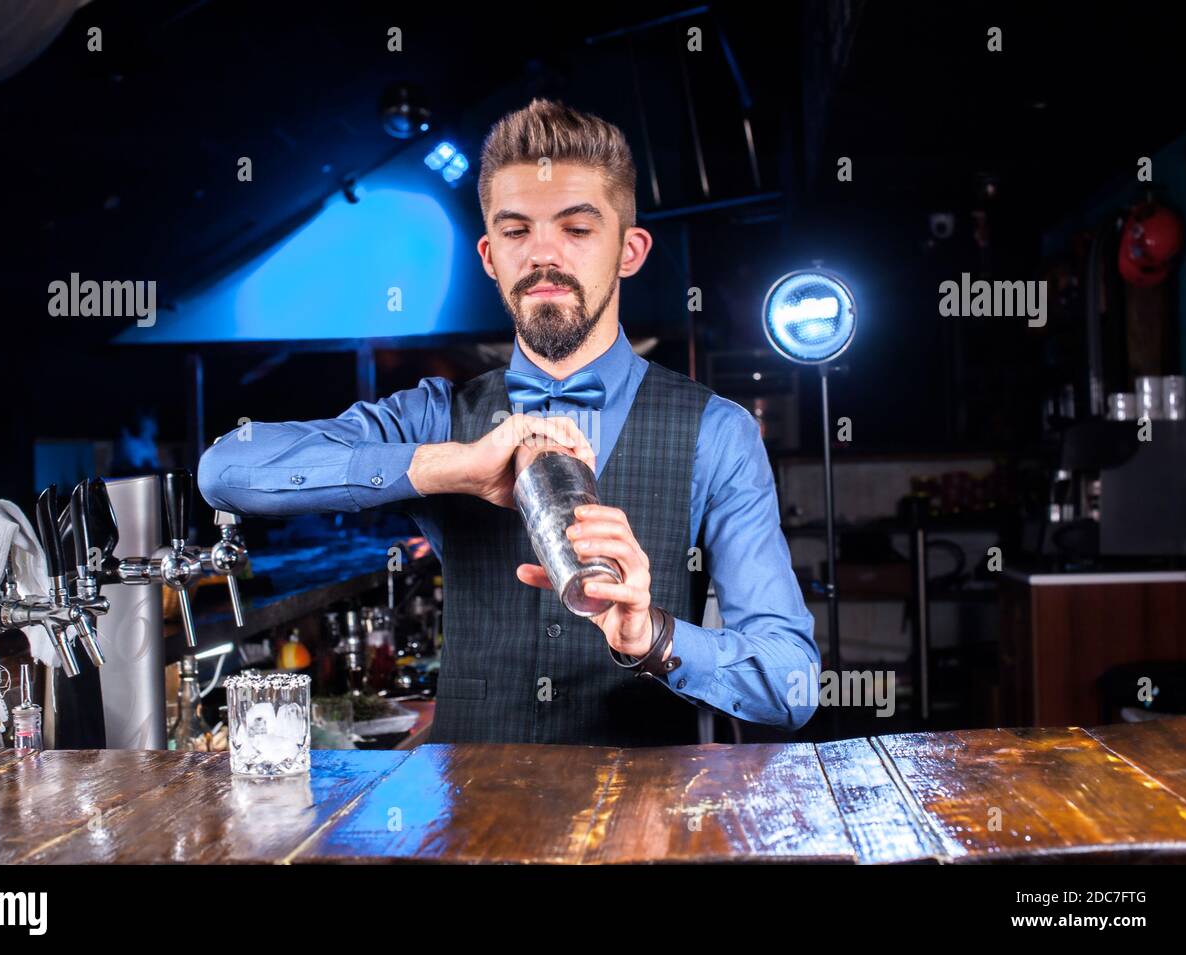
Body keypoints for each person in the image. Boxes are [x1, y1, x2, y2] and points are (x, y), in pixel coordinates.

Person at [199, 99, 818, 745]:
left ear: (629, 250)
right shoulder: (435, 414)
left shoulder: (718, 432)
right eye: (517, 231)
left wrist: (654, 636)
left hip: (646, 824)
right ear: (490, 255)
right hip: (468, 827)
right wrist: (445, 466)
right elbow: (226, 471)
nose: (543, 255)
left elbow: (791, 683)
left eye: (577, 229)